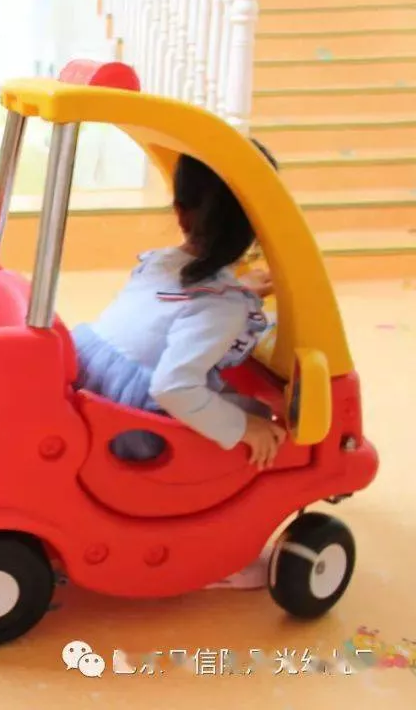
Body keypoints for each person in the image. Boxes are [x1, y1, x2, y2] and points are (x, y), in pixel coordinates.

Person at [71, 140, 286, 589]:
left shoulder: (160, 264)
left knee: (235, 407)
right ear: (260, 227)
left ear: (180, 213)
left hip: (94, 389)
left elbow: (176, 304)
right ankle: (218, 550)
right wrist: (245, 428)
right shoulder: (221, 305)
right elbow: (173, 387)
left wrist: (238, 291)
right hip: (136, 431)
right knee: (260, 422)